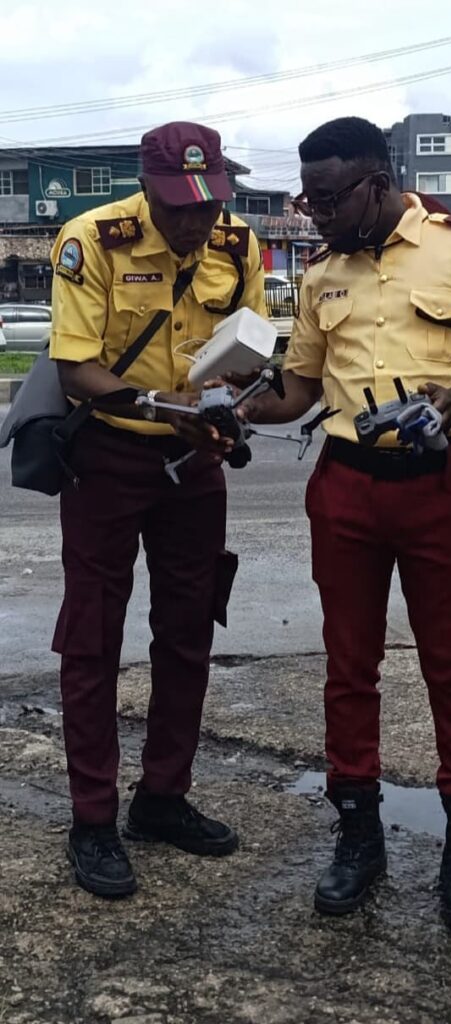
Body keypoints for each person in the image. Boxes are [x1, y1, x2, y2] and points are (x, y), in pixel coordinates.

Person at [242, 116, 451, 929]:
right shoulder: (320, 274)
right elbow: (298, 390)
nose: (316, 213)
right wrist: (229, 404)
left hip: (437, 485)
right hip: (344, 488)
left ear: (379, 180)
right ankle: (358, 833)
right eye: (308, 199)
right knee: (348, 665)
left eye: (329, 197)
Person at [50, 121, 267, 898]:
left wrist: (229, 403)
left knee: (187, 625)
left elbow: (248, 345)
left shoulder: (239, 246)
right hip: (108, 455)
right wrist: (164, 405)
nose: (194, 224)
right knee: (93, 636)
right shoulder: (90, 241)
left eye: (207, 207)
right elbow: (75, 368)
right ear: (146, 188)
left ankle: (163, 798)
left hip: (195, 459)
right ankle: (93, 818)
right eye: (178, 208)